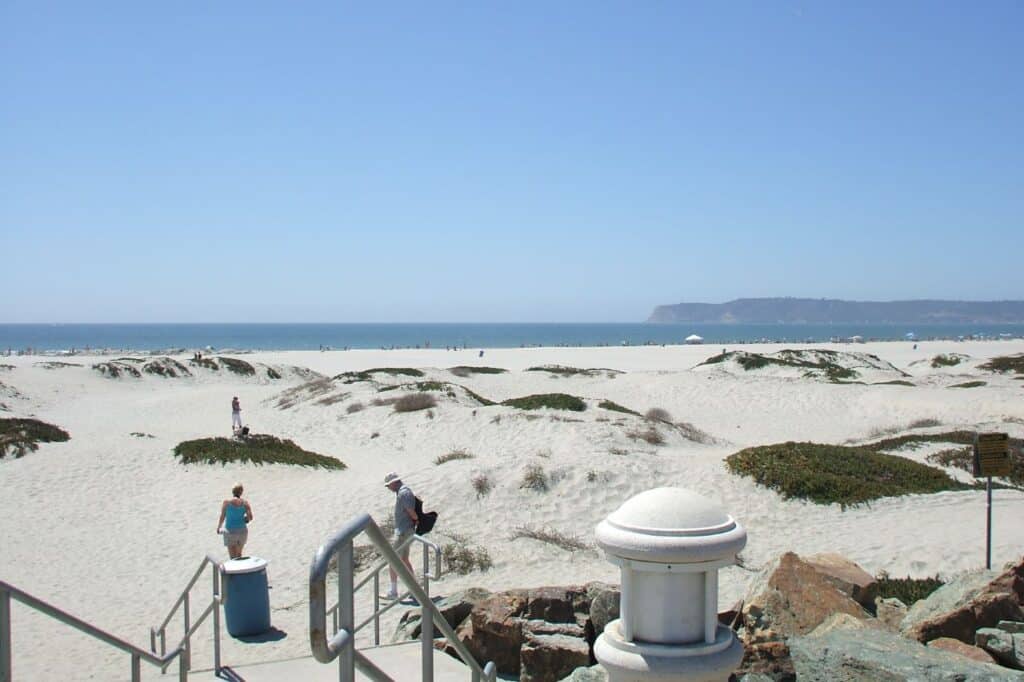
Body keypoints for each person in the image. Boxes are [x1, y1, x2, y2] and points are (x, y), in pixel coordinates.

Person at [383, 472, 417, 600]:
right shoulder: (402, 492)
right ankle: (414, 589)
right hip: (404, 530)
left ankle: (393, 591)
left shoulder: (404, 493)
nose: (388, 488)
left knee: (393, 559)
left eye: (388, 485)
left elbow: (410, 511)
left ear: (394, 482)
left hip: (404, 531)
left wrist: (416, 520)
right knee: (403, 559)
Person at [217, 483, 253, 559]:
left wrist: (219, 527)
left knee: (232, 558)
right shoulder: (245, 503)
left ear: (233, 491)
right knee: (239, 555)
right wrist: (245, 520)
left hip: (230, 532)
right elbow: (250, 517)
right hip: (242, 532)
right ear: (241, 492)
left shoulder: (227, 503)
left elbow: (222, 516)